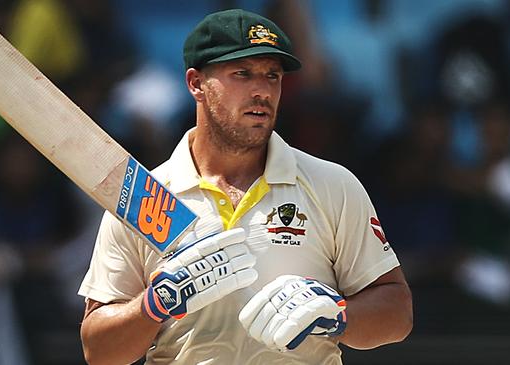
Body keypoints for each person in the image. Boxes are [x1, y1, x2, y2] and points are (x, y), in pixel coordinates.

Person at [79, 9, 412, 365]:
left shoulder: (331, 184)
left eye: (272, 76)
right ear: (196, 84)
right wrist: (154, 304)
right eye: (242, 74)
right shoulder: (147, 196)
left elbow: (397, 314)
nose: (262, 91)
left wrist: (336, 314)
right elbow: (98, 351)